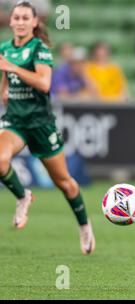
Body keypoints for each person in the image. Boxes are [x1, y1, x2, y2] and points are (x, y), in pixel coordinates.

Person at [0, 1, 95, 255]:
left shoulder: (39, 49)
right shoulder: (5, 49)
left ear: (34, 23)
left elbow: (44, 83)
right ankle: (23, 197)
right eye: (16, 17)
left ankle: (84, 225)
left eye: (24, 18)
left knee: (65, 183)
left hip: (40, 125)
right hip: (16, 122)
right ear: (10, 22)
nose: (19, 21)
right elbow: (6, 81)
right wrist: (5, 91)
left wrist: (12, 68)